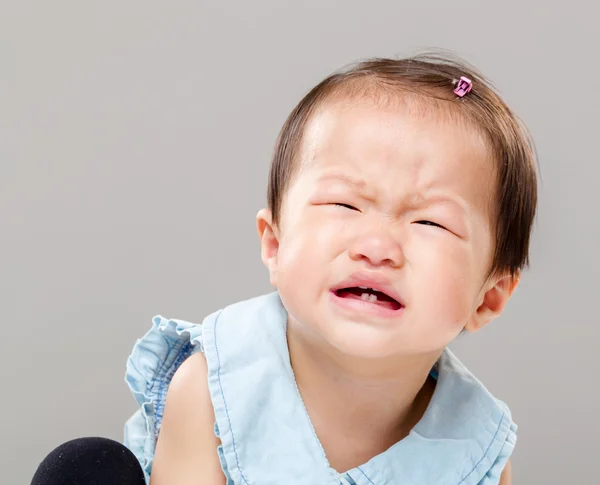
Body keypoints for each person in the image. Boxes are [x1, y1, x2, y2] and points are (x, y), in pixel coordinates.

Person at [124, 51, 536, 485]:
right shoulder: (214, 390)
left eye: (430, 222)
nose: (377, 248)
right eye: (344, 203)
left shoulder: (475, 449)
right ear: (275, 244)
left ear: (489, 297)